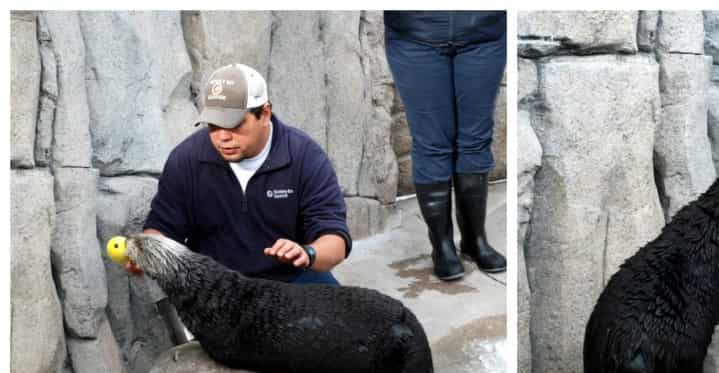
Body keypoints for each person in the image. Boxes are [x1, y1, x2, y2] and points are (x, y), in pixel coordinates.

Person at [136, 63, 351, 288]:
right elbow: (162, 228)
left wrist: (308, 253)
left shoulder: (304, 156)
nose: (222, 137)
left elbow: (335, 240)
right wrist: (148, 252)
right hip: (218, 287)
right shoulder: (187, 159)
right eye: (214, 125)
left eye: (234, 124)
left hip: (293, 280)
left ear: (265, 113)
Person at [384, 12, 507, 281]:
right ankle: (442, 246)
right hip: (414, 34)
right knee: (431, 144)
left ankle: (475, 241)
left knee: (475, 142)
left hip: (484, 33)